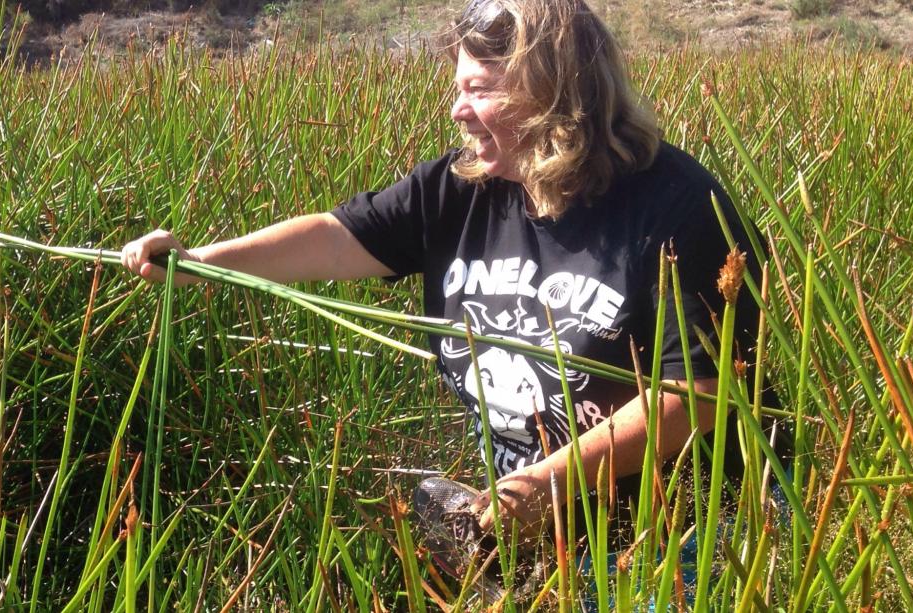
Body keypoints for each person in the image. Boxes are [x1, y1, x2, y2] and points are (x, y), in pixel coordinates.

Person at [122, 0, 784, 602]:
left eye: (479, 90)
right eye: (458, 88)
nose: (457, 109)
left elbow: (693, 395)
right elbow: (334, 238)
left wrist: (547, 482)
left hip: (687, 530)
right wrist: (199, 264)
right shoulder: (461, 188)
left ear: (551, 93)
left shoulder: (678, 209)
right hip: (538, 522)